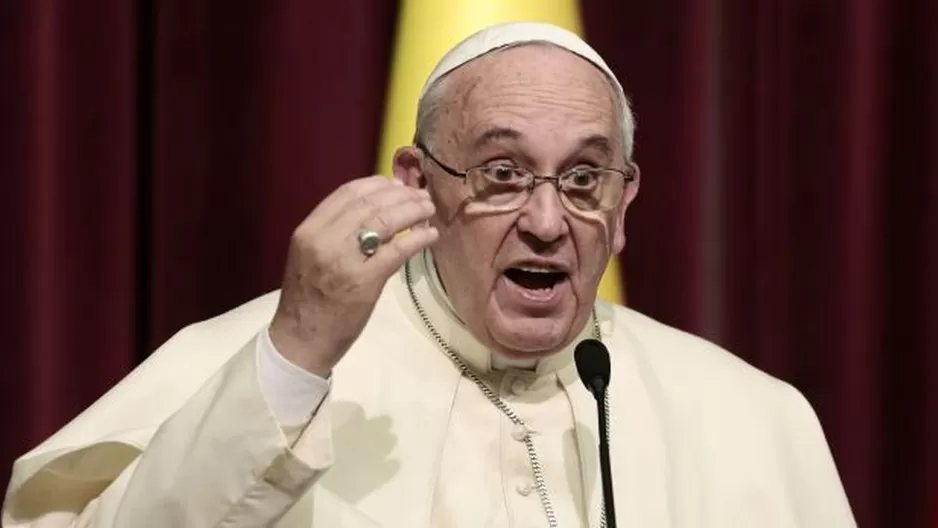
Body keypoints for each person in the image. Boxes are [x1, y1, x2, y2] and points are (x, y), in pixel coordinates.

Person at [2, 22, 856, 527]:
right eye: (502, 175)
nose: (549, 222)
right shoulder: (279, 358)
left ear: (625, 204)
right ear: (419, 186)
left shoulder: (753, 417)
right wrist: (295, 357)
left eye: (585, 178)